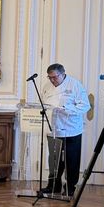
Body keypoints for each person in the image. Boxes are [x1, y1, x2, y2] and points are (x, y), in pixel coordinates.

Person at [39, 63, 90, 196]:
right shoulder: (46, 87)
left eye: (54, 77)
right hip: (53, 129)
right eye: (49, 77)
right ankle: (53, 185)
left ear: (62, 74)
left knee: (71, 160)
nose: (52, 80)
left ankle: (70, 187)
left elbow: (85, 106)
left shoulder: (75, 85)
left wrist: (66, 109)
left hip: (71, 129)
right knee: (54, 160)